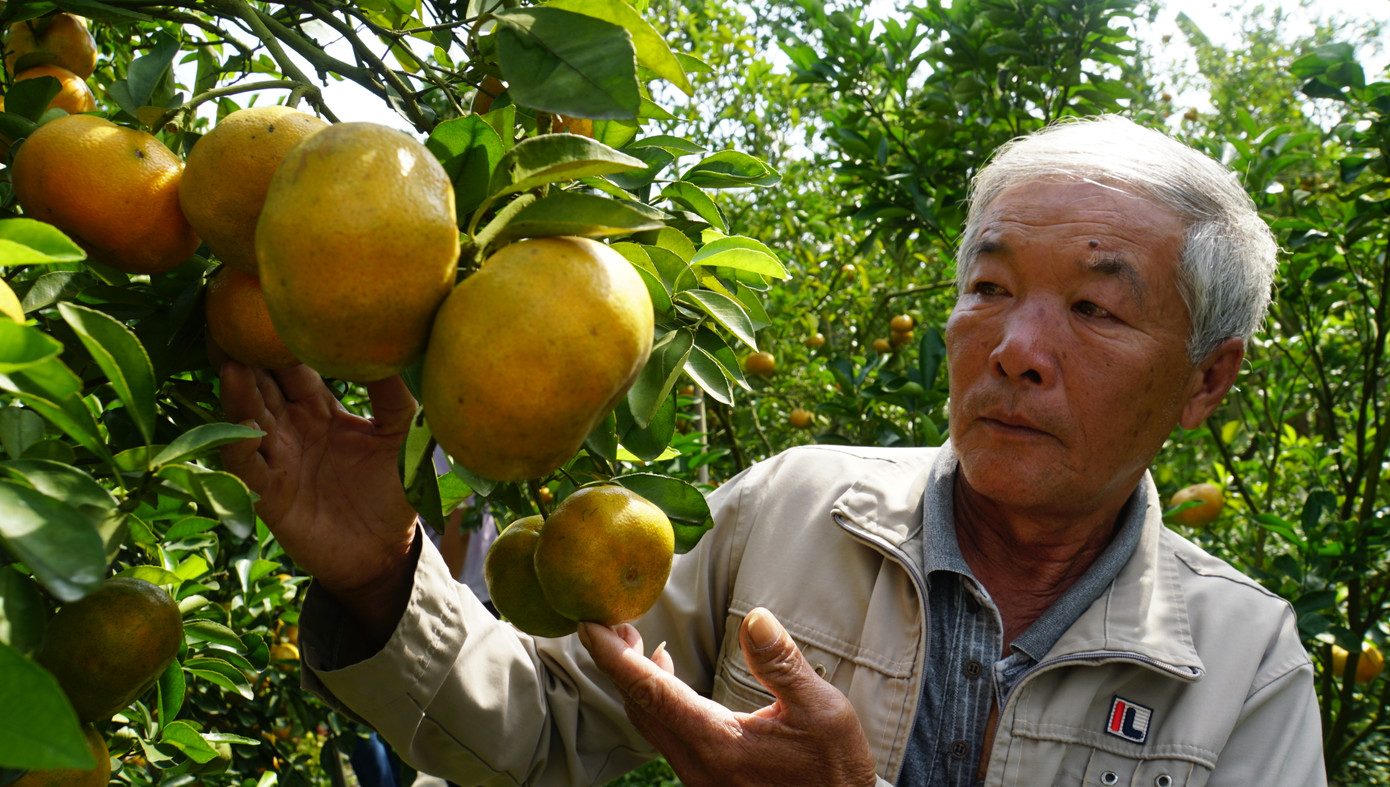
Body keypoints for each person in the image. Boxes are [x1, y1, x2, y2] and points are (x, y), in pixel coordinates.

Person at [219, 115, 1325, 786]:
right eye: (989, 288)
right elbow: (540, 730)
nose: (1016, 349)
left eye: (1093, 308)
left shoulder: (1245, 666)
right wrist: (380, 571)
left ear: (1206, 378)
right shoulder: (793, 511)